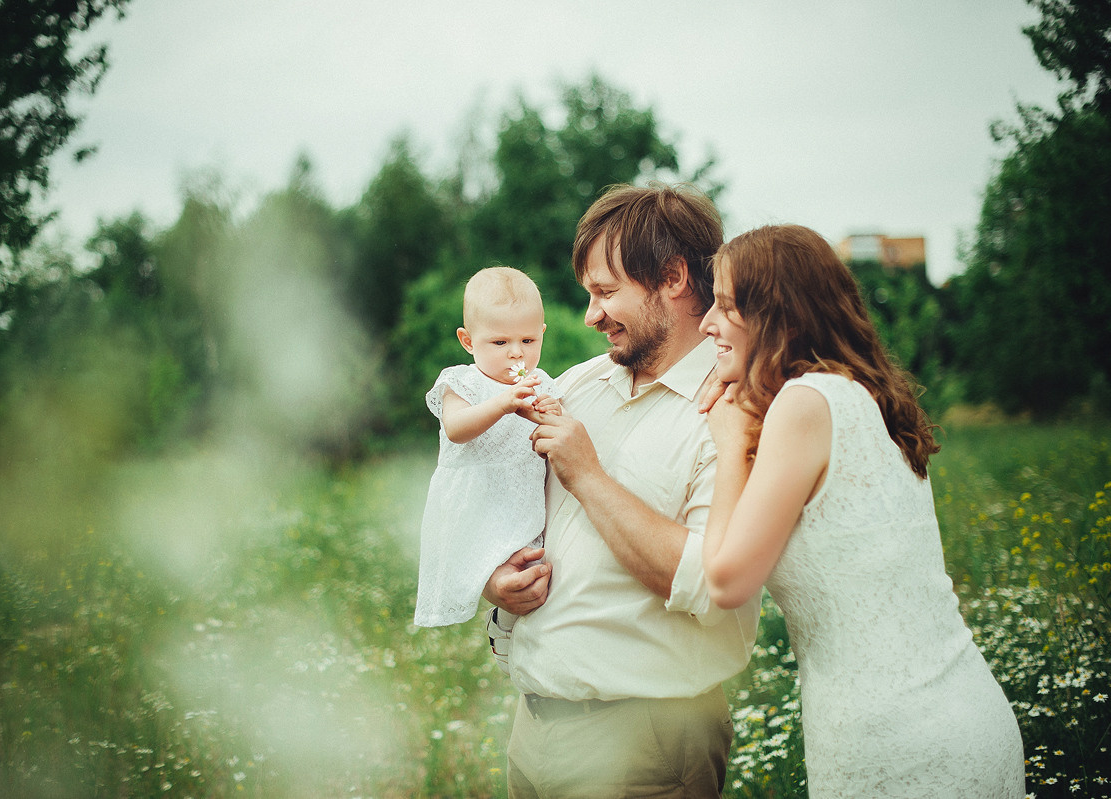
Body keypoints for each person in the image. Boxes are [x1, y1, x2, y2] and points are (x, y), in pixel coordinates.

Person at [698, 224, 1025, 797]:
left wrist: (730, 444)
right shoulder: (866, 395)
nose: (707, 323)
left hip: (897, 745)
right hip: (964, 713)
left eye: (725, 306)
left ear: (780, 317)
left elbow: (726, 580)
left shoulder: (804, 406)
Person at [484, 184, 761, 798]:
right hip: (532, 730)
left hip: (648, 744)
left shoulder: (734, 411)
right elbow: (499, 500)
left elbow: (711, 584)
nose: (589, 315)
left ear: (673, 277)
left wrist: (587, 475)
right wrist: (493, 579)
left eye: (606, 292)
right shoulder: (577, 386)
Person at [415, 266, 562, 628]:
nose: (517, 355)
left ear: (542, 334)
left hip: (521, 496)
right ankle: (503, 626)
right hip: (475, 499)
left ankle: (515, 635)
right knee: (486, 569)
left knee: (533, 579)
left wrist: (549, 412)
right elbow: (456, 429)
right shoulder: (462, 381)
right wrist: (506, 403)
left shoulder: (540, 382)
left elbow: (555, 431)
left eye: (528, 341)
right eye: (500, 343)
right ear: (468, 341)